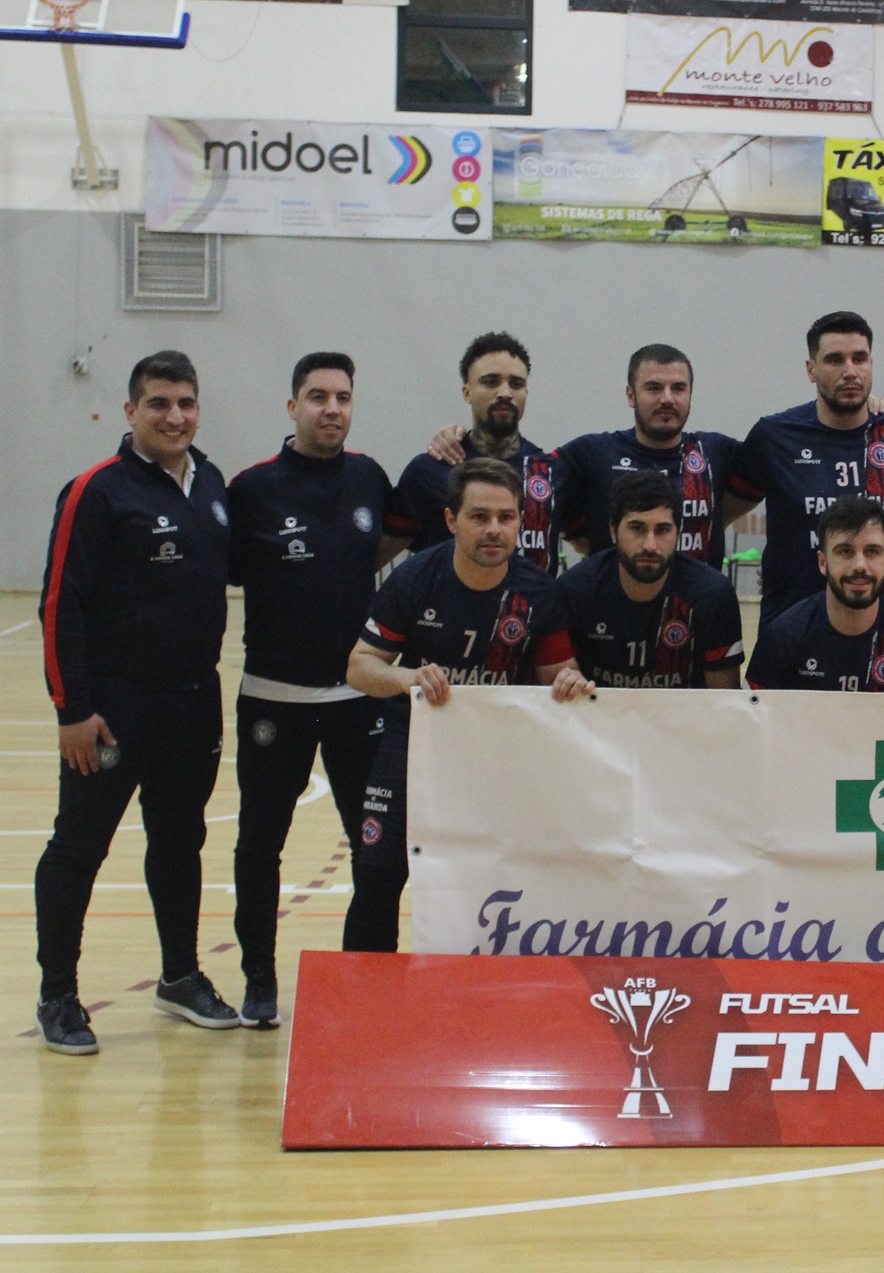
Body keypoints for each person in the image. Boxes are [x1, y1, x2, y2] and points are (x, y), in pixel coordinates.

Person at [34, 352, 237, 1052]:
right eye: (158, 403)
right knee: (78, 848)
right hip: (113, 709)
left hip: (193, 704)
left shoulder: (209, 483)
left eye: (186, 402)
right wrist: (72, 710)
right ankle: (58, 994)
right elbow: (60, 606)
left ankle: (179, 976)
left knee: (180, 842)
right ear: (130, 412)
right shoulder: (96, 491)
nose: (174, 416)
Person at [226, 352, 409, 1028]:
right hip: (273, 701)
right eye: (317, 396)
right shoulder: (251, 490)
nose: (331, 408)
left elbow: (384, 551)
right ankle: (258, 982)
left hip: (358, 704)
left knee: (375, 847)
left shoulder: (368, 477)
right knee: (258, 844)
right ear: (292, 405)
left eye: (342, 396)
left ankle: (368, 975)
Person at [345, 460, 589, 952]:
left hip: (496, 762)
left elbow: (560, 678)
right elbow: (359, 667)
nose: (494, 529)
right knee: (376, 877)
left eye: (506, 517)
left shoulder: (539, 593)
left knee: (488, 884)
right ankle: (365, 1015)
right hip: (414, 750)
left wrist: (572, 685)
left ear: (522, 520)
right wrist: (407, 677)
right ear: (452, 520)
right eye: (479, 517)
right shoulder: (416, 579)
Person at [725, 312, 884, 626]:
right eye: (835, 360)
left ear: (871, 364)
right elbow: (720, 511)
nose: (850, 371)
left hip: (877, 627)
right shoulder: (774, 436)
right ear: (811, 369)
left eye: (859, 359)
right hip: (789, 627)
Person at [389, 331, 565, 574]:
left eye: (516, 383)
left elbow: (588, 540)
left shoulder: (551, 471)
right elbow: (381, 554)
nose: (505, 392)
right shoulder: (429, 471)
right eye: (491, 382)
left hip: (531, 610)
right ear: (467, 392)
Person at [551, 344, 740, 567]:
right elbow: (531, 488)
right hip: (612, 599)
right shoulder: (590, 454)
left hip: (695, 599)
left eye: (678, 388)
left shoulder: (716, 452)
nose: (667, 399)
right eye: (654, 388)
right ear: (631, 395)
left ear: (691, 394)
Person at [561, 470, 744, 689]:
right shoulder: (575, 589)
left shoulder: (712, 594)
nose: (650, 545)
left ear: (678, 533)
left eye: (663, 530)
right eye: (637, 528)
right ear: (613, 531)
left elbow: (725, 702)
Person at [746, 495, 884, 692]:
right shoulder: (782, 638)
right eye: (845, 551)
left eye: (871, 552)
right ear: (823, 562)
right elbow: (753, 723)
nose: (860, 565)